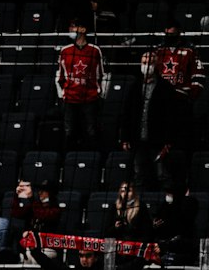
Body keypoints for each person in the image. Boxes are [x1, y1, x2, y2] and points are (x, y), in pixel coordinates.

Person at [119, 49, 188, 192]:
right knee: (139, 175)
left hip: (158, 140)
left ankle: (167, 205)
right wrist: (125, 137)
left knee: (162, 174)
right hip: (137, 139)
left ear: (155, 64)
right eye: (144, 62)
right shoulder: (134, 87)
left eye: (149, 62)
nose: (146, 65)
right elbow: (126, 113)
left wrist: (168, 142)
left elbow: (171, 117)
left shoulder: (165, 88)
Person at [56, 21, 105, 150]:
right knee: (69, 132)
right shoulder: (65, 51)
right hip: (70, 99)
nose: (70, 29)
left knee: (91, 131)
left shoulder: (95, 50)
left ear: (83, 29)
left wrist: (99, 93)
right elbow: (60, 76)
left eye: (73, 26)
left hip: (90, 99)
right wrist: (63, 94)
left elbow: (101, 75)